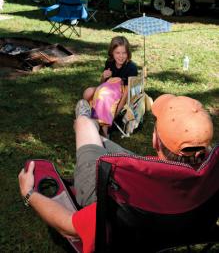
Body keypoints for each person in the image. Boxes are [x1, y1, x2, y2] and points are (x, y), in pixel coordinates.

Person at [18, 94, 213, 253]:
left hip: (116, 195)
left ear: (155, 140)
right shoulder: (212, 176)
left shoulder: (130, 192)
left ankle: (85, 119)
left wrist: (29, 194)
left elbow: (69, 226)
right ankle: (93, 130)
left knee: (85, 128)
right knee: (100, 142)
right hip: (177, 215)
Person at [83, 36, 138, 137]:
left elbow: (126, 93)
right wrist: (103, 77)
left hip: (119, 94)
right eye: (117, 53)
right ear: (112, 52)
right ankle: (91, 117)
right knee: (88, 92)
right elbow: (102, 84)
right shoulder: (109, 62)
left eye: (124, 53)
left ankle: (104, 131)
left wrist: (116, 112)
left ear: (128, 53)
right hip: (106, 88)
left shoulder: (131, 68)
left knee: (104, 96)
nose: (121, 56)